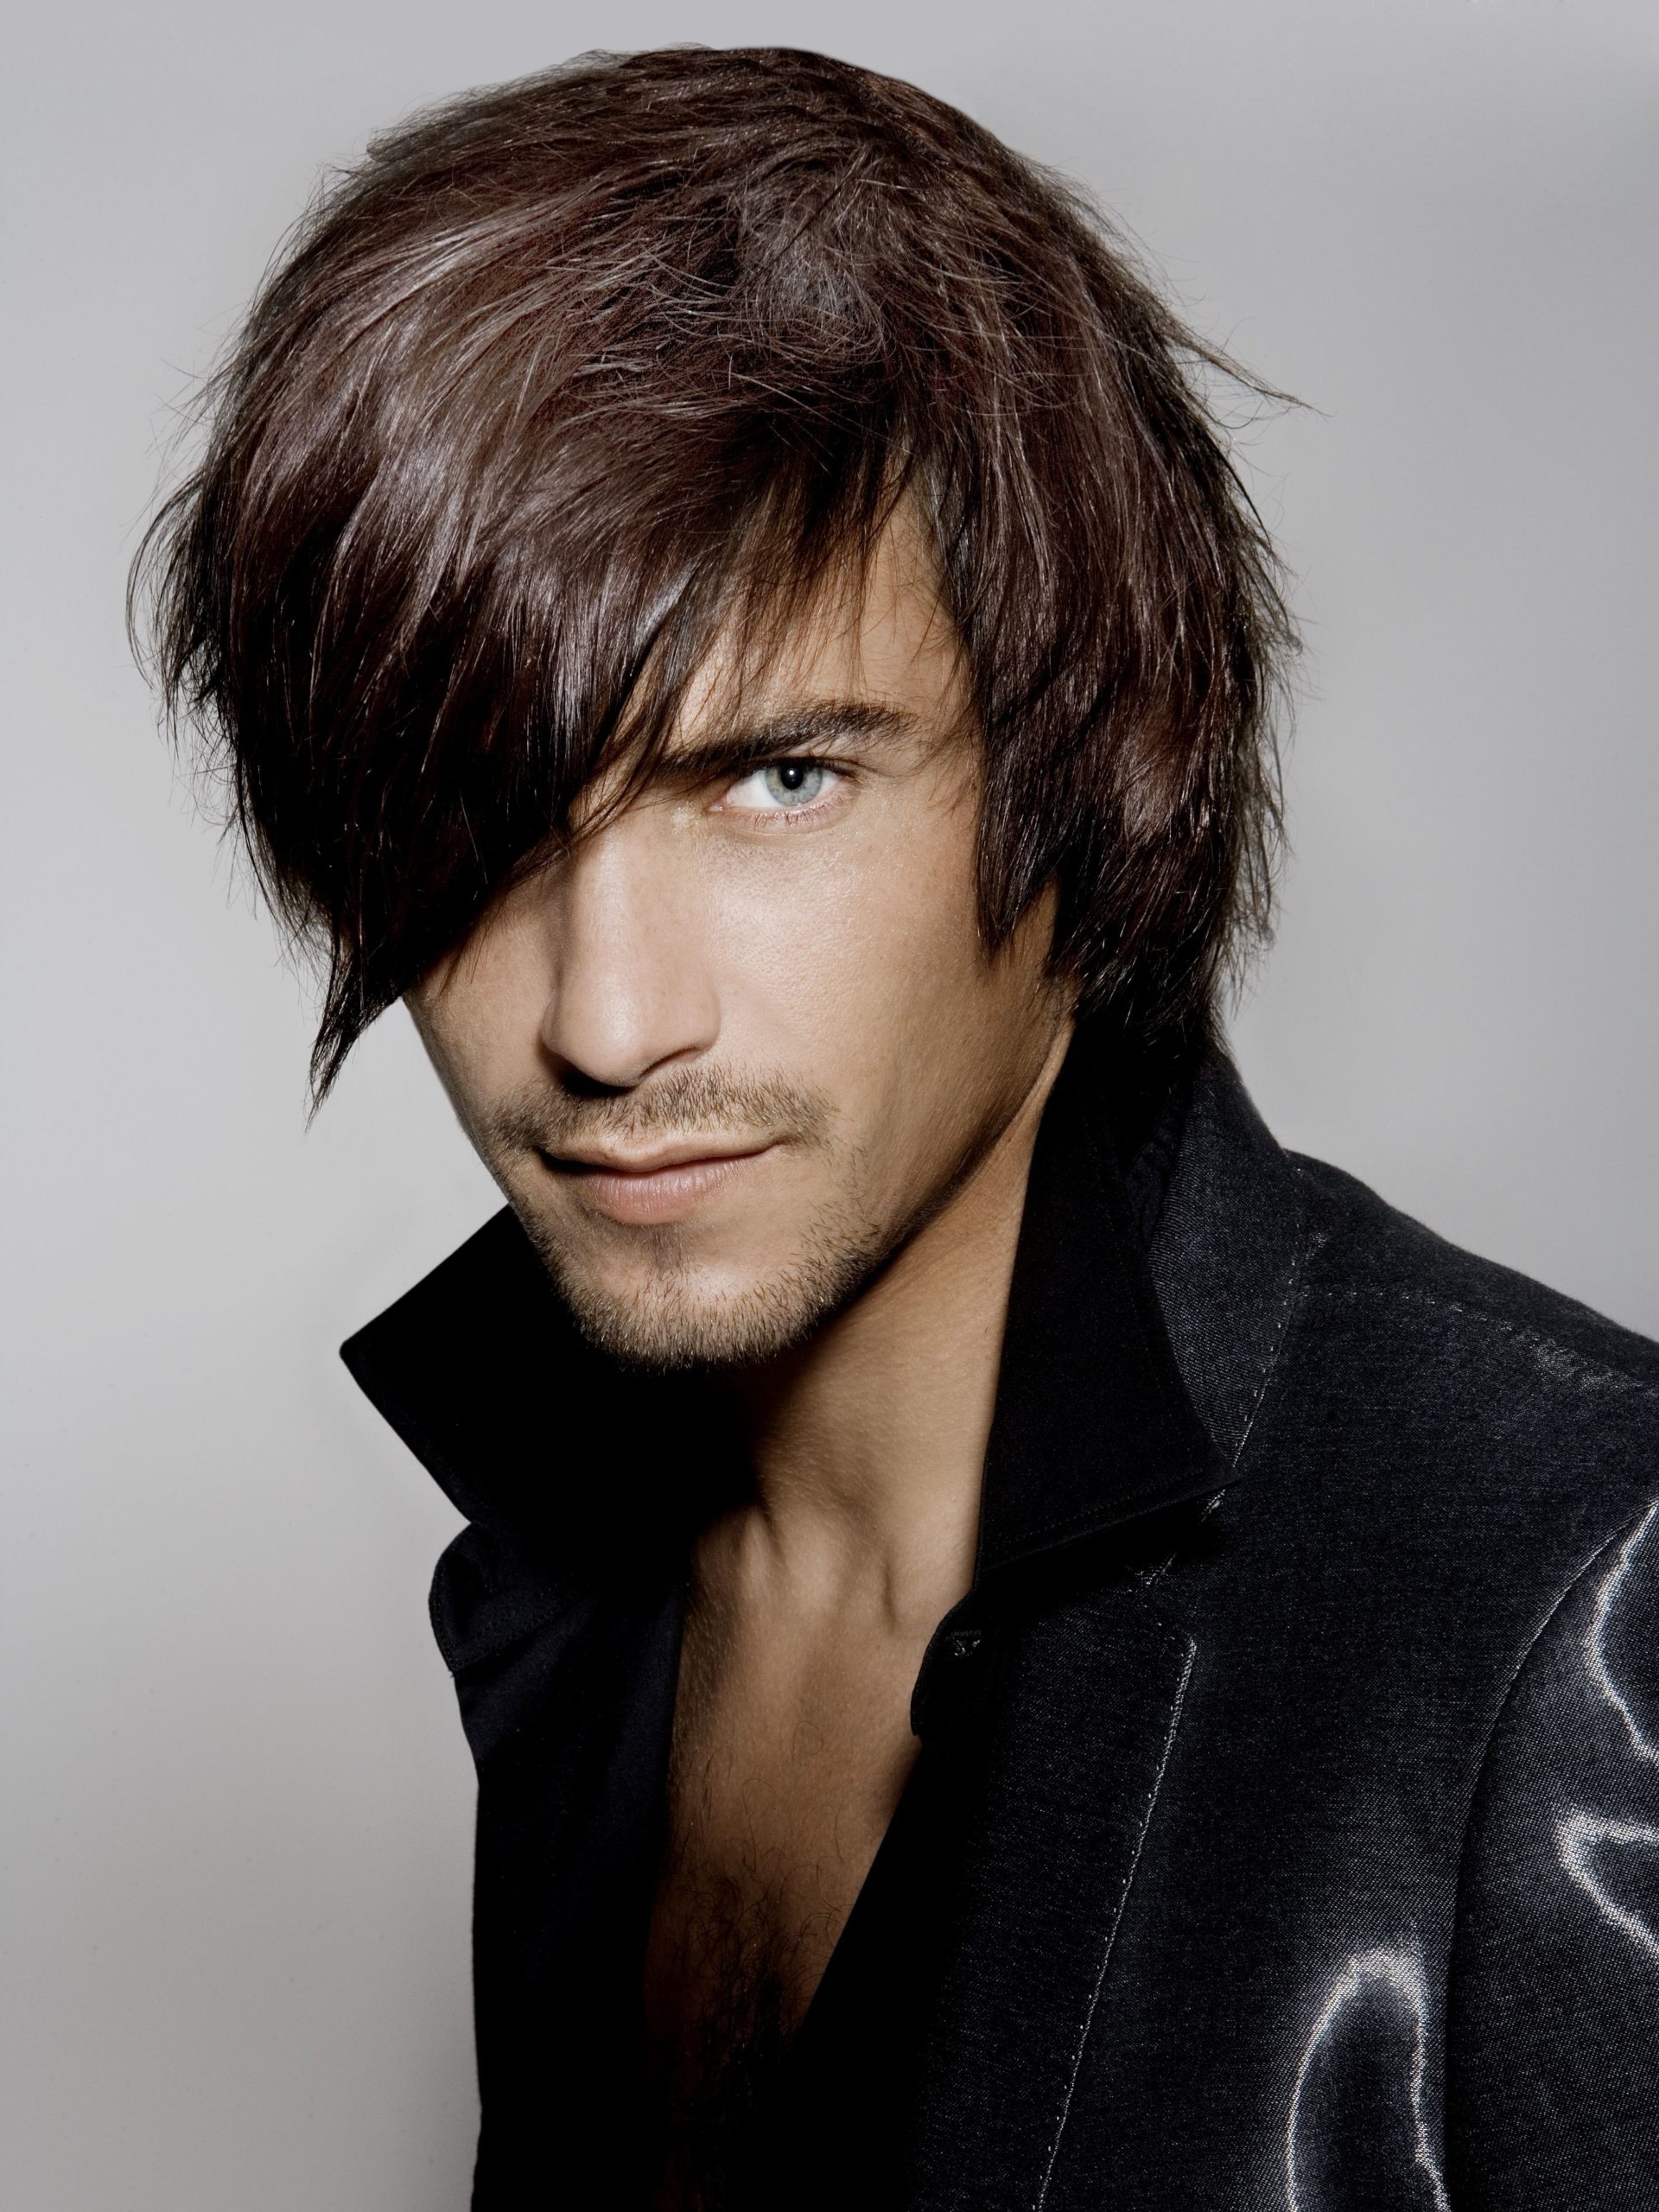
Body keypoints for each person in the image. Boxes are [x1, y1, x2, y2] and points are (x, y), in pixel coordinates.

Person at [132, 43, 1659, 2212]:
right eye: (479, 818)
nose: (604, 1018)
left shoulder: (1573, 1602)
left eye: (781, 777)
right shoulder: (573, 1591)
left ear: (1097, 762)